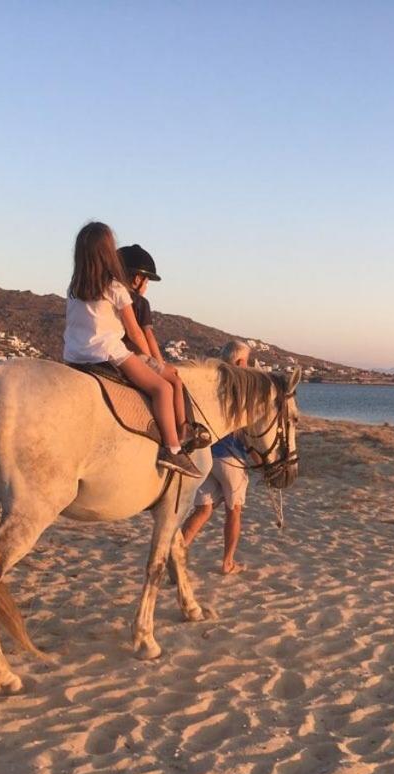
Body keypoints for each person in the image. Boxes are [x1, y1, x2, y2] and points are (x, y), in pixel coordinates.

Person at [63, 222, 200, 478]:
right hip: (109, 355)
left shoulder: (74, 288)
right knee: (163, 388)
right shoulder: (115, 288)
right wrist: (149, 360)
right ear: (107, 253)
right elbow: (135, 332)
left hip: (74, 356)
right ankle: (172, 448)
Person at [116, 243, 206, 450]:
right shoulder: (139, 302)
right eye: (147, 280)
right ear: (137, 279)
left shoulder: (108, 295)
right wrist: (158, 362)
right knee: (174, 380)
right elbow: (146, 334)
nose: (146, 285)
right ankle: (182, 430)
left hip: (110, 353)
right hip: (134, 356)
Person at [182, 341, 255, 574]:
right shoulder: (242, 385)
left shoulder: (213, 382)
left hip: (206, 455)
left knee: (203, 510)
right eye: (248, 360)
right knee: (234, 510)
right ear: (242, 362)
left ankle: (178, 555)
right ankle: (228, 562)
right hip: (231, 457)